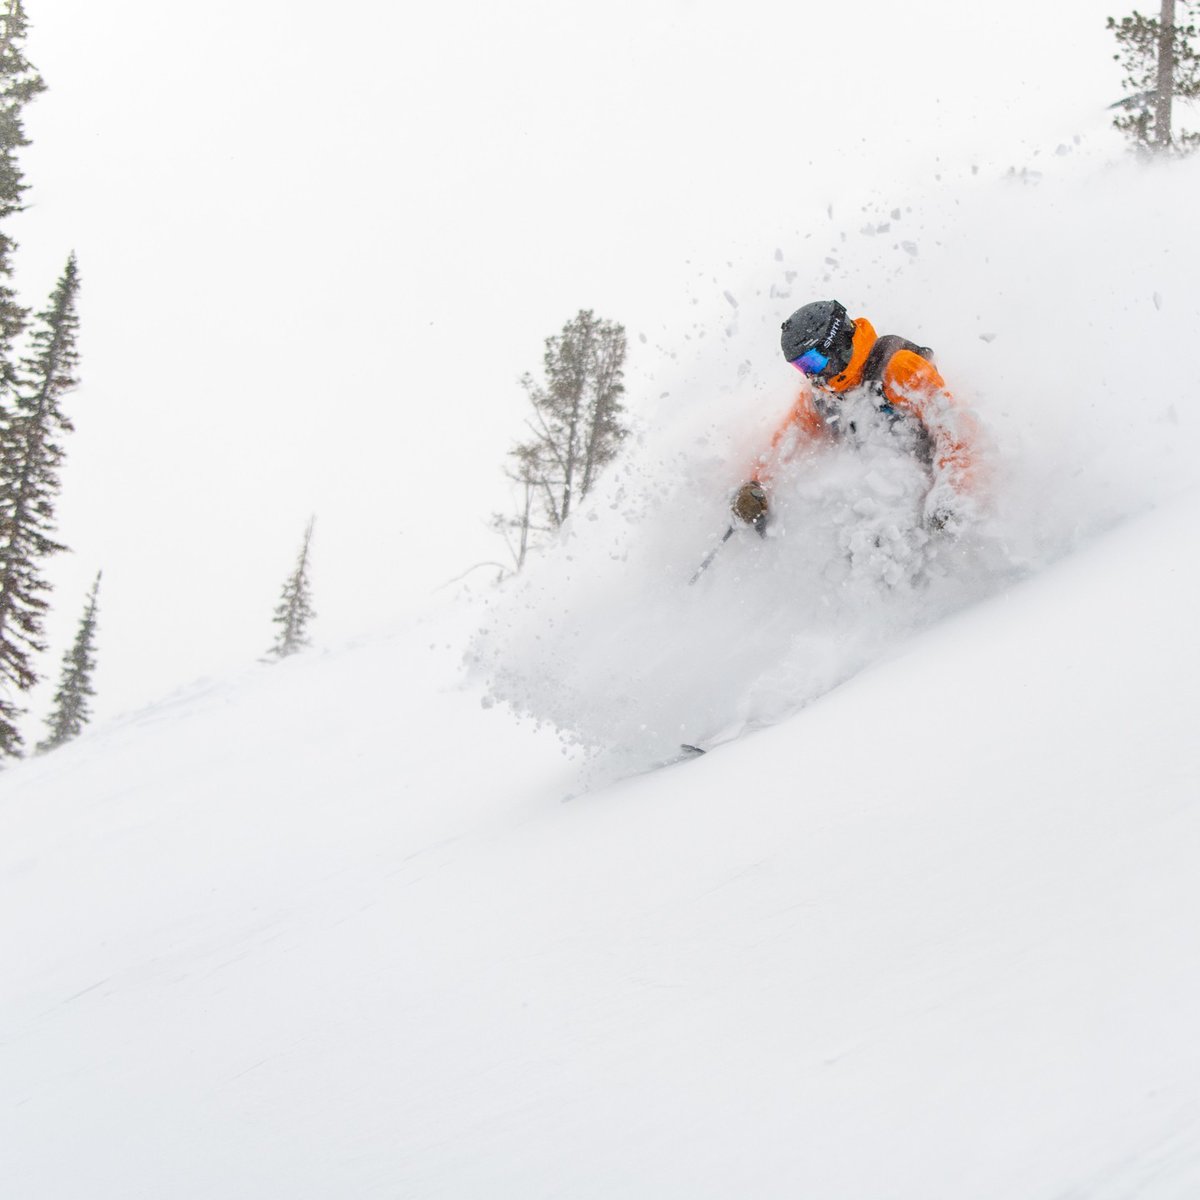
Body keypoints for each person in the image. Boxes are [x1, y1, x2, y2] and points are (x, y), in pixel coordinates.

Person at [731, 299, 978, 536]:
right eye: (802, 367)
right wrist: (756, 485)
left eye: (813, 362)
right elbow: (789, 440)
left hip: (923, 498)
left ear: (836, 343)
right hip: (871, 505)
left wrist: (951, 494)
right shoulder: (822, 396)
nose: (811, 375)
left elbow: (957, 434)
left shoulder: (898, 368)